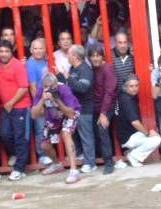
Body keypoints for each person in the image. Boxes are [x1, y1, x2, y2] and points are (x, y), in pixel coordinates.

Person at [32, 73, 82, 184]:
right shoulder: (41, 91)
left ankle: (74, 171)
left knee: (66, 132)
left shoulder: (64, 89)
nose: (49, 89)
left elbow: (70, 113)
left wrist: (57, 99)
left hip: (70, 112)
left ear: (56, 84)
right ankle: (56, 164)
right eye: (46, 87)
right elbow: (34, 115)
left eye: (51, 87)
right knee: (44, 144)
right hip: (53, 117)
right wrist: (42, 100)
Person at [0, 40, 31, 181]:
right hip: (6, 107)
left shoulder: (17, 66)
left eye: (6, 51)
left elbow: (23, 87)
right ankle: (17, 155)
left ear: (11, 52)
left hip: (19, 107)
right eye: (1, 51)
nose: (3, 54)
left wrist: (11, 102)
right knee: (4, 134)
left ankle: (19, 169)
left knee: (20, 137)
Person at [57, 44, 97, 172]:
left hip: (84, 108)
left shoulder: (85, 70)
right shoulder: (73, 69)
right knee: (76, 135)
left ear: (74, 56)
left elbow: (82, 88)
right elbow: (69, 86)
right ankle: (82, 157)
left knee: (86, 136)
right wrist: (61, 76)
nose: (67, 56)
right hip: (74, 109)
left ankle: (90, 163)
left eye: (68, 54)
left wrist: (68, 77)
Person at [117, 74, 161, 166]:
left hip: (128, 135)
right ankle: (133, 156)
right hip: (128, 138)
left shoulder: (124, 96)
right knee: (156, 139)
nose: (134, 88)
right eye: (131, 86)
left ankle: (131, 152)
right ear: (125, 87)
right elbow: (135, 122)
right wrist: (148, 134)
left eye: (136, 85)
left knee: (153, 132)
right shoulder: (126, 100)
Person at [89, 45, 117, 174]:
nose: (95, 58)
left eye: (98, 55)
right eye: (93, 56)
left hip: (108, 105)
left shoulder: (107, 69)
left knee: (102, 128)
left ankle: (109, 162)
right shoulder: (91, 69)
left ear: (102, 56)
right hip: (95, 105)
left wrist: (103, 113)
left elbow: (109, 92)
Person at [25, 38, 52, 166]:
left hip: (51, 99)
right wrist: (39, 103)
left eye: (41, 48)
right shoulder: (31, 63)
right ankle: (41, 154)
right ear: (31, 50)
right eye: (35, 48)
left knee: (51, 127)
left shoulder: (46, 60)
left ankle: (51, 152)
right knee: (40, 128)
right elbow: (32, 86)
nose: (38, 51)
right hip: (41, 100)